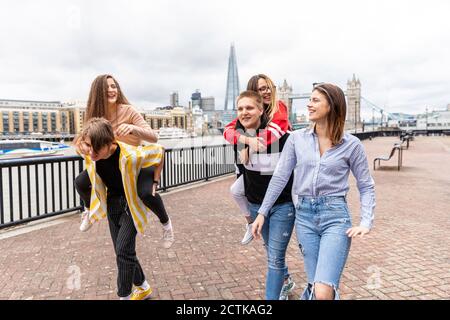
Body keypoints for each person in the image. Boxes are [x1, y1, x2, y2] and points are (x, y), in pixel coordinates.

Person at [253, 83, 375, 300]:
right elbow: (280, 177)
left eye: (315, 100)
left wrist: (366, 221)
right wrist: (262, 212)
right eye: (309, 99)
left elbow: (365, 185)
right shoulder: (296, 139)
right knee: (316, 285)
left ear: (332, 105)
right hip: (305, 217)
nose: (309, 104)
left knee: (322, 289)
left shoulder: (352, 145)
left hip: (335, 218)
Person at [74, 74, 174, 249]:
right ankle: (88, 211)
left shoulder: (128, 111)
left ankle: (166, 223)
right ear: (98, 94)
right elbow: (80, 140)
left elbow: (154, 137)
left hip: (138, 161)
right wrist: (82, 146)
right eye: (107, 89)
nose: (112, 90)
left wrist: (134, 129)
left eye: (114, 86)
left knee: (145, 193)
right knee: (81, 182)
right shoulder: (95, 116)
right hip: (116, 164)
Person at [224, 74, 295, 299]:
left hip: (281, 202)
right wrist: (246, 141)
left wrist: (253, 145)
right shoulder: (243, 125)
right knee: (270, 251)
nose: (265, 92)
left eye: (268, 88)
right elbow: (227, 132)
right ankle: (285, 280)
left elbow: (272, 137)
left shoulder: (280, 118)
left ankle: (275, 293)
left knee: (274, 256)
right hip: (256, 200)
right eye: (259, 89)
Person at [80, 117, 164, 300]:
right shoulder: (92, 152)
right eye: (88, 146)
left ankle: (124, 295)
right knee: (122, 251)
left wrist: (155, 181)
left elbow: (159, 151)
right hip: (112, 205)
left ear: (110, 144)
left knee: (124, 251)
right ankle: (143, 287)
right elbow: (84, 147)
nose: (91, 153)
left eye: (96, 149)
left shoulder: (131, 154)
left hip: (131, 204)